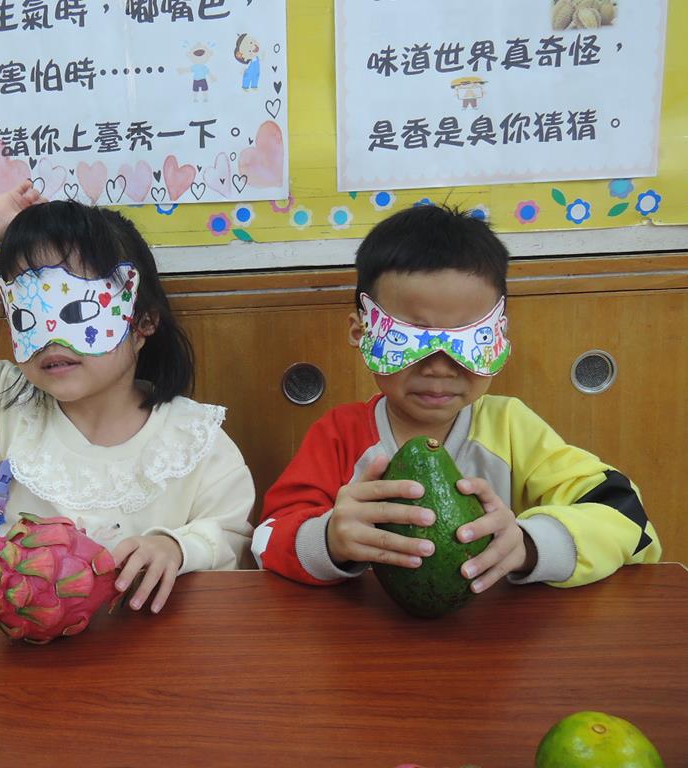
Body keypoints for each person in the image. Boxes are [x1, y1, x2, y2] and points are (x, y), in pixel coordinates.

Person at [251, 204, 661, 592]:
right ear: (362, 332)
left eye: (468, 341)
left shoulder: (512, 429)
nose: (439, 368)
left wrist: (529, 545)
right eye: (410, 339)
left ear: (499, 334)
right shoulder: (339, 436)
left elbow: (628, 519)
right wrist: (328, 540)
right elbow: (266, 538)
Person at [0, 180, 254, 613]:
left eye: (78, 310)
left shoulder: (195, 439)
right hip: (30, 646)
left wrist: (176, 546)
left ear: (143, 322)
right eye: (28, 314)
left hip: (162, 644)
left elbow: (231, 536)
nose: (51, 339)